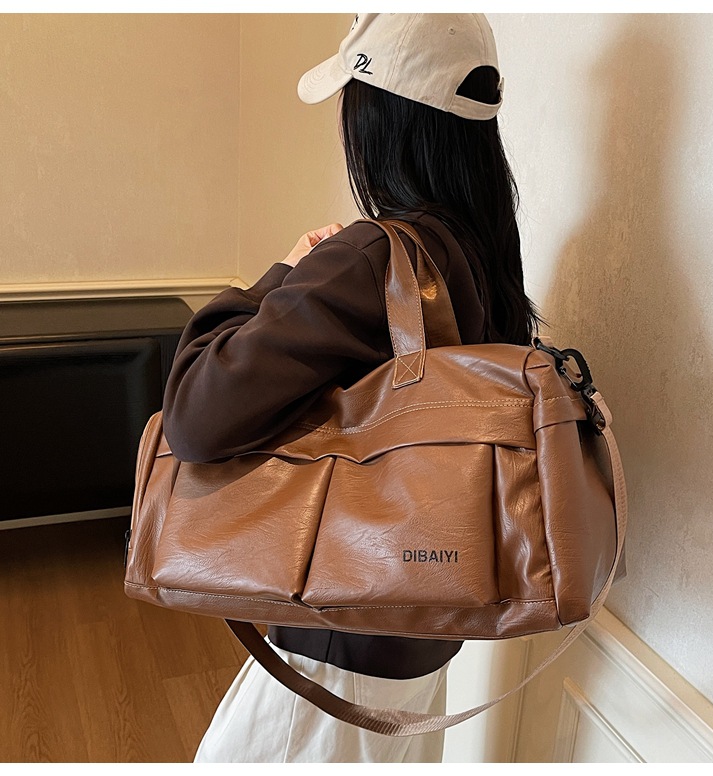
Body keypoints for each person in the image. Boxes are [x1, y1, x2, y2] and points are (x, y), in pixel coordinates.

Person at [161, 12, 544, 764]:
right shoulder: (484, 253)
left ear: (380, 120)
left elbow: (194, 417)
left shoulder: (373, 257)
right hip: (418, 636)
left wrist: (282, 276)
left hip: (333, 648)